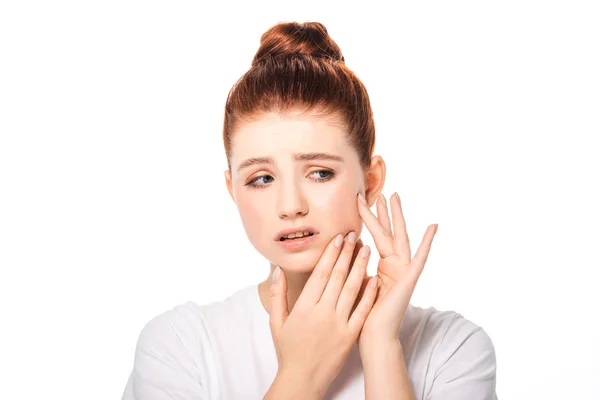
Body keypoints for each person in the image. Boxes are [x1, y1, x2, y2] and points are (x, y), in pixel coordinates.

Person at [121, 21, 497, 400]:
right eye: (262, 179)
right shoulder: (180, 347)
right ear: (233, 189)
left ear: (370, 182)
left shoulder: (452, 350)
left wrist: (382, 348)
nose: (290, 206)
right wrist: (301, 373)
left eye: (320, 173)